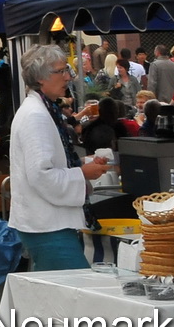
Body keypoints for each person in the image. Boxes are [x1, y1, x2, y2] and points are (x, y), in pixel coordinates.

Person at [9, 45, 109, 270]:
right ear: (41, 78)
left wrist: (83, 162)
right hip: (45, 224)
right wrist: (82, 173)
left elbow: (46, 163)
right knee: (77, 291)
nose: (67, 77)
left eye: (67, 71)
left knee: (53, 295)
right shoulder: (36, 115)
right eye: (61, 71)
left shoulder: (43, 109)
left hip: (46, 222)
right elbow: (41, 175)